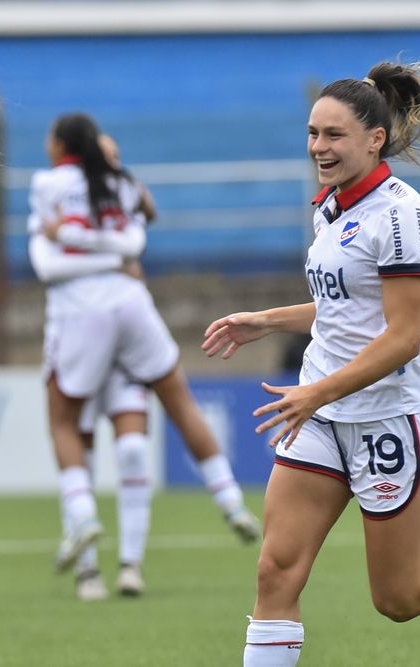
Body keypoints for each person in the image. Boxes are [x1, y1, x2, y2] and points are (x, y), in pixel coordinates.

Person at [202, 59, 420, 666]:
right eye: (314, 134)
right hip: (319, 415)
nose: (319, 147)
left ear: (376, 139)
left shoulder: (401, 213)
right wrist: (265, 320)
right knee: (275, 571)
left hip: (387, 417)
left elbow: (401, 337)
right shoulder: (330, 208)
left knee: (399, 597)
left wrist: (316, 393)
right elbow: (342, 310)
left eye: (334, 135)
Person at [27, 114, 260, 601]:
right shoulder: (123, 185)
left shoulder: (51, 183)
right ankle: (229, 500)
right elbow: (134, 242)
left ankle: (87, 533)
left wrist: (70, 239)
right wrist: (113, 255)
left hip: (80, 315)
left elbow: (46, 263)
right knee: (174, 403)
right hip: (131, 305)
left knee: (70, 427)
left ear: (61, 145)